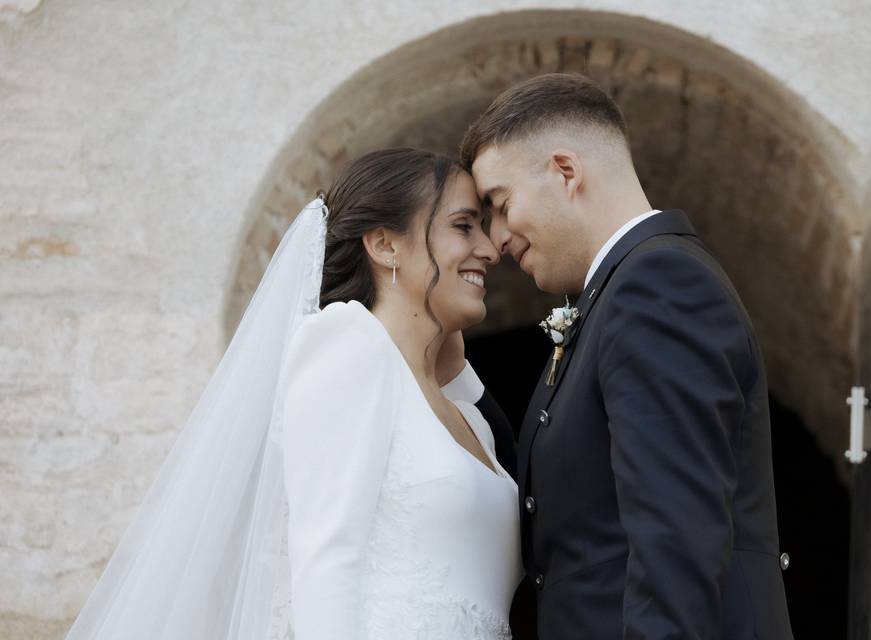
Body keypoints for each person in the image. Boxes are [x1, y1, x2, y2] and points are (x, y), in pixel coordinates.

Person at [65, 148, 522, 640]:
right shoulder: (351, 345)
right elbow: (326, 562)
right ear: (385, 245)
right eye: (463, 226)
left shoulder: (468, 417)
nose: (490, 250)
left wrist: (454, 367)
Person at [460, 73, 794, 639]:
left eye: (500, 203)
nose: (495, 238)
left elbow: (676, 541)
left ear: (565, 171)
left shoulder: (657, 285)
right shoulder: (618, 294)